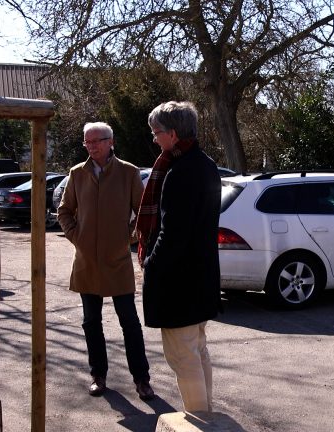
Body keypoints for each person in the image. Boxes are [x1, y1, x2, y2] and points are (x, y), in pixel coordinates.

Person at [57, 122, 155, 400]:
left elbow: (143, 215)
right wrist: (77, 237)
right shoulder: (77, 173)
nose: (91, 146)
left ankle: (142, 379)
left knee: (130, 323)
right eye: (87, 142)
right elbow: (64, 211)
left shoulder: (128, 172)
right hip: (87, 261)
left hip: (117, 260)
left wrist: (128, 239)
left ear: (110, 141)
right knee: (91, 322)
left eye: (96, 141)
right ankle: (98, 375)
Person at [136, 101, 222, 412]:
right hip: (199, 279)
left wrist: (150, 264)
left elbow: (171, 234)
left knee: (184, 357)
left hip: (180, 284)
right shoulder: (206, 164)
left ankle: (199, 419)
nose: (154, 139)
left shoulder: (181, 171)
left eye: (156, 132)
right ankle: (206, 414)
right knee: (197, 350)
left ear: (173, 134)